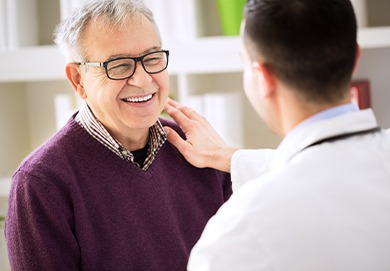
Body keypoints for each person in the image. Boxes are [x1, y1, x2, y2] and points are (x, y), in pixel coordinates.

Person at [163, 0, 390, 270]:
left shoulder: (236, 236)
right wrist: (232, 158)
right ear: (356, 59)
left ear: (262, 77)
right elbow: (331, 167)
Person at [5, 0, 232, 270]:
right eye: (120, 65)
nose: (143, 79)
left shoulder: (201, 149)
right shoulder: (41, 184)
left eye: (153, 58)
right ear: (78, 79)